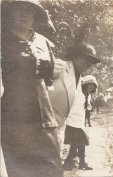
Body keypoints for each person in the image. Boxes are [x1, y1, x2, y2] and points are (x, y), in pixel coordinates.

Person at [1, 1, 63, 177]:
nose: (25, 14)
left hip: (44, 114)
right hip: (12, 114)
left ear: (35, 16)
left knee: (51, 166)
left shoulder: (44, 42)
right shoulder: (2, 40)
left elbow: (49, 79)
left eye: (30, 11)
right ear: (10, 13)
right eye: (19, 9)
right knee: (18, 166)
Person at [48, 43, 101, 170]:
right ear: (74, 56)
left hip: (58, 129)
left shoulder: (79, 80)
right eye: (86, 58)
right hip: (43, 123)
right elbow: (35, 82)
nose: (89, 63)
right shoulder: (61, 66)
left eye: (91, 61)